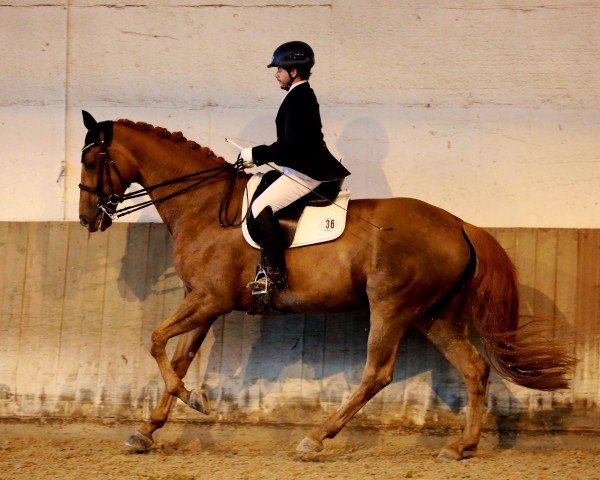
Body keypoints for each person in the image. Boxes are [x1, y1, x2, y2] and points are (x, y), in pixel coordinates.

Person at [240, 41, 351, 296]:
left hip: (307, 172)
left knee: (259, 208)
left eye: (279, 68)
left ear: (294, 71)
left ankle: (275, 276)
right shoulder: (298, 96)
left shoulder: (299, 98)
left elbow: (290, 146)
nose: (276, 74)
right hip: (299, 168)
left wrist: (255, 154)